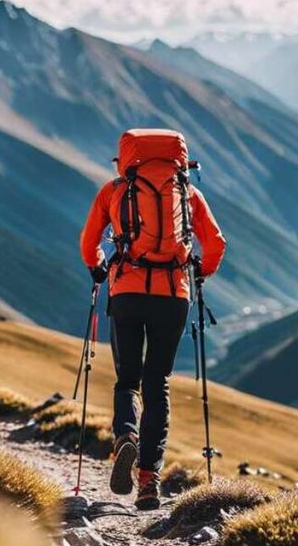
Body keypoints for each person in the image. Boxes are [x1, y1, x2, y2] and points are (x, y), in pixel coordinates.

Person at [79, 129, 226, 510]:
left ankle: (125, 436)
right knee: (156, 382)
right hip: (173, 295)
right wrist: (200, 271)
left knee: (127, 380)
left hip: (126, 291)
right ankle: (148, 481)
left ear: (126, 158)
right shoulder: (188, 192)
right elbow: (216, 243)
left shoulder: (114, 191)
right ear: (180, 159)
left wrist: (98, 269)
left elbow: (88, 242)